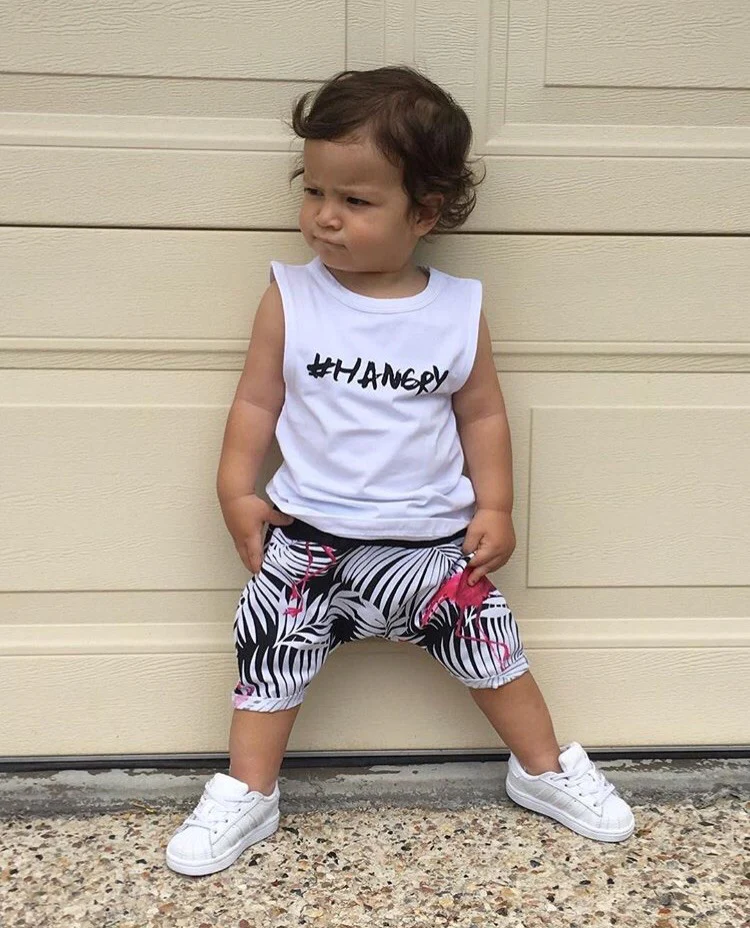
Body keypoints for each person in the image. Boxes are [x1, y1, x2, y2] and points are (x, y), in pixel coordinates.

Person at [166, 66, 635, 877]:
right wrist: (236, 490)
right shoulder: (292, 297)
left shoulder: (456, 309)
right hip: (309, 543)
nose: (325, 216)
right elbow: (256, 402)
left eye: (356, 200)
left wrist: (497, 505)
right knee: (268, 657)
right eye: (314, 191)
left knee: (495, 651)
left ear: (425, 212)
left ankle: (543, 770)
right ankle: (249, 790)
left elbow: (482, 415)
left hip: (432, 548)